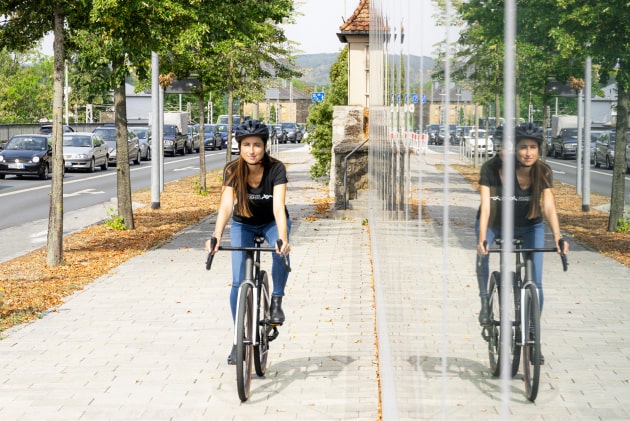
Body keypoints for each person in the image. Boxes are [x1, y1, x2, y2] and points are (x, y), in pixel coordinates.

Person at [205, 119, 291, 365]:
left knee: (279, 252)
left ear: (265, 146)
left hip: (272, 222)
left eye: (257, 145)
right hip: (243, 223)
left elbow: (278, 207)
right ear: (239, 147)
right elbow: (225, 205)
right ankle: (238, 337)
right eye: (246, 145)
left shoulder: (276, 169)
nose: (251, 150)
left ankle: (276, 301)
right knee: (237, 282)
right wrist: (217, 235)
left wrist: (282, 238)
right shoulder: (233, 169)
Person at [475, 123, 569, 331]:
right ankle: (484, 303)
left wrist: (557, 236)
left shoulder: (543, 171)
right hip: (494, 224)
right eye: (523, 147)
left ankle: (533, 334)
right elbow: (487, 208)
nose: (528, 153)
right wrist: (482, 238)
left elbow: (548, 206)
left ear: (538, 149)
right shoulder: (491, 169)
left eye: (533, 147)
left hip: (530, 226)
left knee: (535, 282)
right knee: (482, 257)